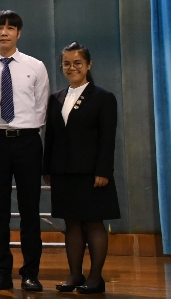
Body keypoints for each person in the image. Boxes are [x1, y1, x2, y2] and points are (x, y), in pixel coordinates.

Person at [0, 10, 50, 292]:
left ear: (19, 33)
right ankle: (1, 272)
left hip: (28, 141)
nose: (4, 32)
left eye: (10, 28)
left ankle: (30, 273)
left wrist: (26, 133)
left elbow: (41, 107)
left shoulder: (35, 66)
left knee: (30, 210)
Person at [43, 42, 119, 295]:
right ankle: (75, 274)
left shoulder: (103, 97)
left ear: (88, 65)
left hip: (92, 173)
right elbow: (51, 137)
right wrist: (47, 168)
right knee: (71, 224)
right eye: (66, 63)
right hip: (63, 172)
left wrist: (104, 171)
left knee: (94, 224)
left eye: (77, 63)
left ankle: (96, 278)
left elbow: (108, 139)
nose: (72, 67)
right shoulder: (56, 98)